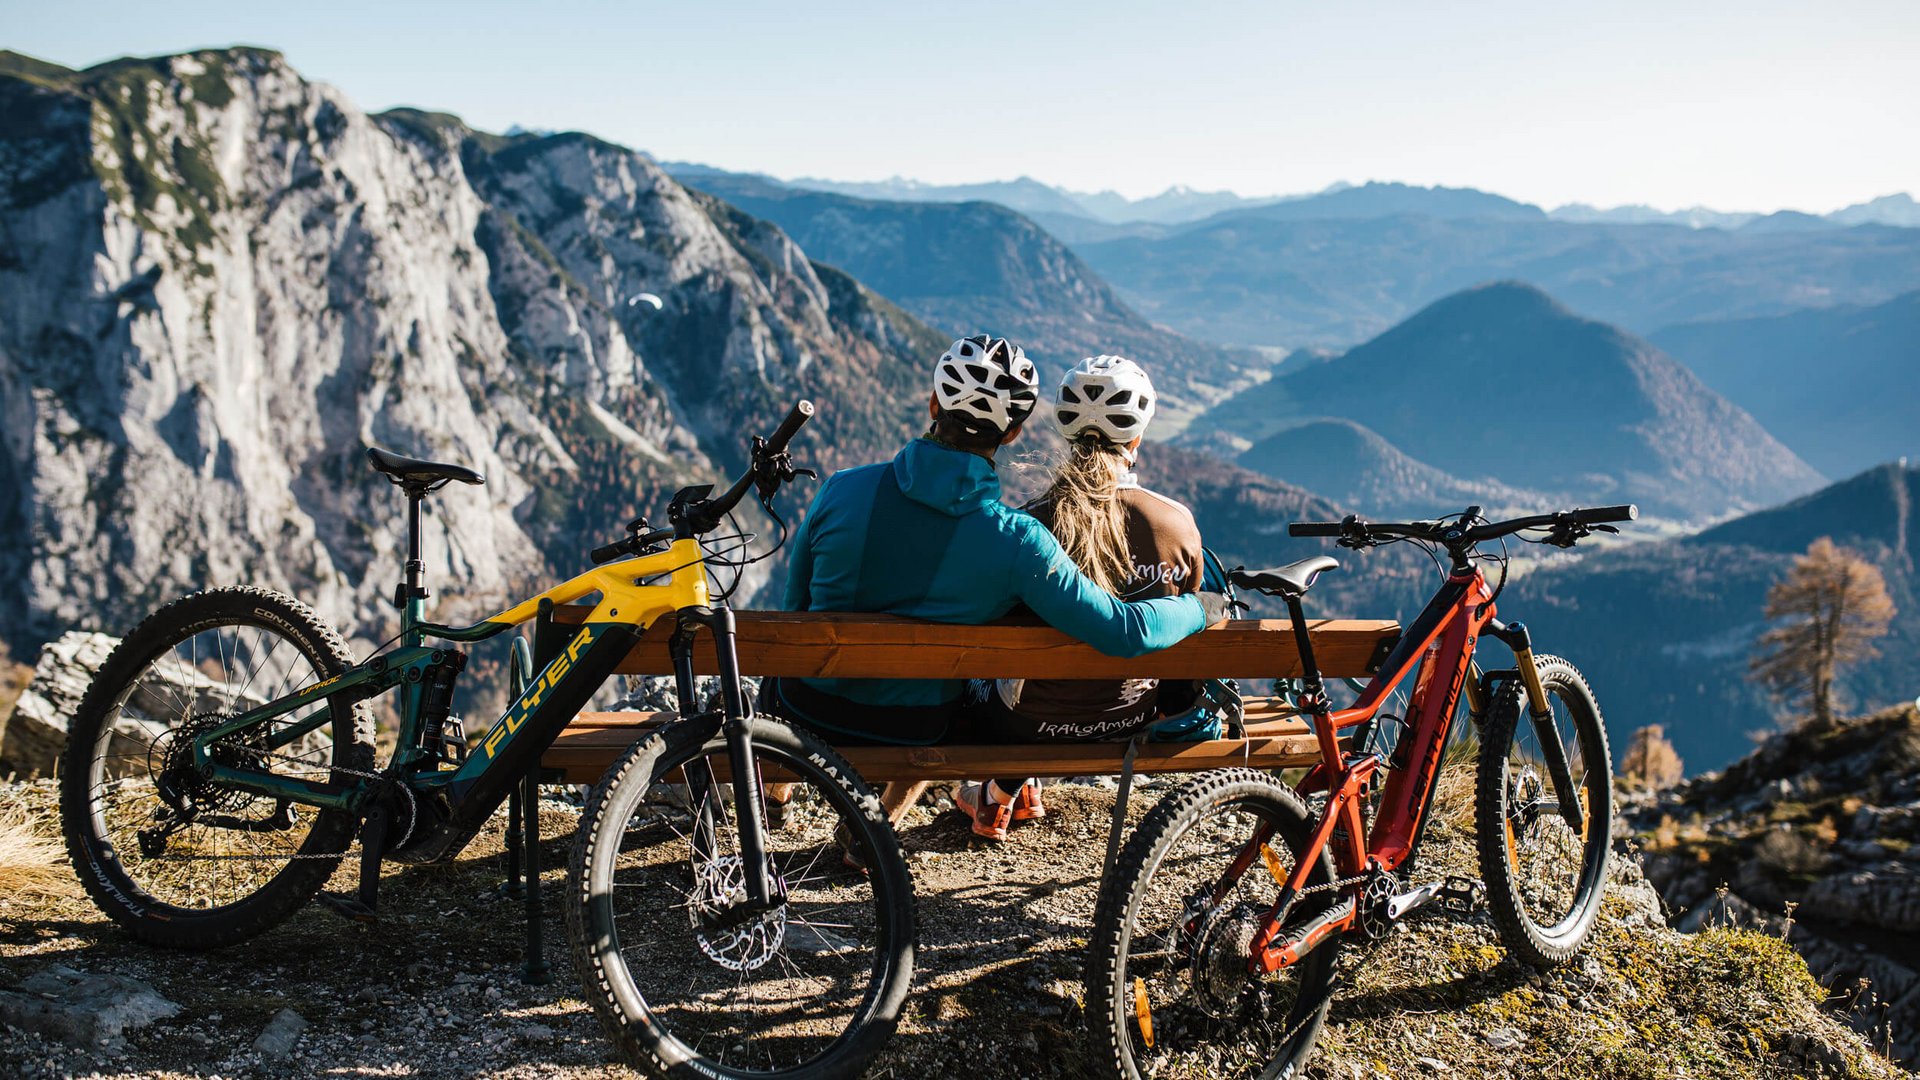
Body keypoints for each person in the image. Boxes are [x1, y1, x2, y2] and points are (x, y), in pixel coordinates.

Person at [771, 336, 1233, 830]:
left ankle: (773, 801)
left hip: (806, 705)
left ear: (933, 403)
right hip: (917, 726)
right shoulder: (1016, 540)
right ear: (1012, 432)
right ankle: (870, 831)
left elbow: (793, 607)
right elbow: (1121, 631)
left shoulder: (842, 489)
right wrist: (1201, 607)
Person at [953, 355, 1207, 839]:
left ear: (1069, 434)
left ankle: (996, 791)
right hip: (1128, 716)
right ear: (1136, 439)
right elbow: (1182, 652)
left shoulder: (1031, 523)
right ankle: (1008, 792)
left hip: (1027, 722)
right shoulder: (1176, 524)